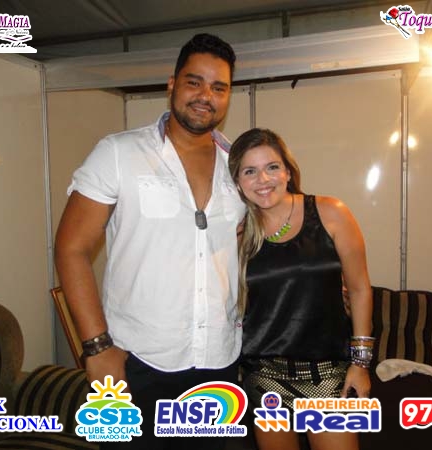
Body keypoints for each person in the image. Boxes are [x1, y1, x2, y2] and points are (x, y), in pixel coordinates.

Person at [54, 33, 246, 450]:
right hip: (134, 361)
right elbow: (71, 248)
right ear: (172, 84)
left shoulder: (239, 166)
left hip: (219, 362)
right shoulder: (118, 152)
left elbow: (248, 246)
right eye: (194, 82)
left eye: (219, 88)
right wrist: (96, 348)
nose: (206, 96)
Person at [228, 128, 373, 450]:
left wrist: (361, 363)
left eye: (272, 167)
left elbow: (360, 289)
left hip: (327, 372)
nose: (263, 179)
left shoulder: (330, 212)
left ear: (288, 172)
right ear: (238, 182)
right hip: (264, 373)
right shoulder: (238, 232)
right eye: (249, 171)